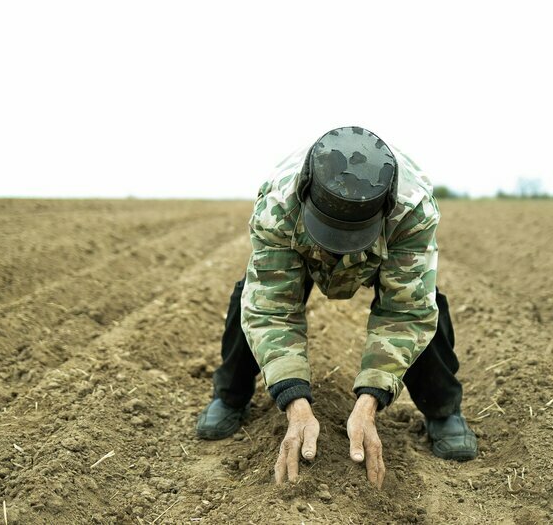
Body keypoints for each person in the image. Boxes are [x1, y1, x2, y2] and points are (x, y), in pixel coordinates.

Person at [196, 126, 477, 488]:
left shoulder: (412, 210)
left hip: (382, 251)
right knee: (250, 294)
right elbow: (272, 308)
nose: (339, 250)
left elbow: (405, 313)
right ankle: (231, 396)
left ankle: (443, 410)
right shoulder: (278, 206)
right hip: (301, 244)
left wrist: (368, 402)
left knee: (425, 302)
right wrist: (295, 404)